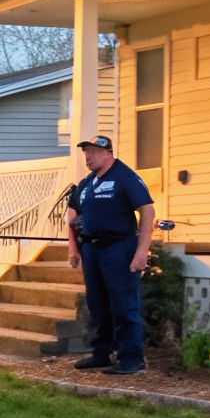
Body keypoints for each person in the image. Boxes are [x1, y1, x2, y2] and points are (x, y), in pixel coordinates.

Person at [65, 134, 155, 375]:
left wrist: (142, 250)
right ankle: (102, 353)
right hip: (91, 249)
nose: (88, 157)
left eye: (92, 152)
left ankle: (132, 358)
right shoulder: (87, 184)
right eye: (85, 153)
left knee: (124, 305)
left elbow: (147, 211)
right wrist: (74, 248)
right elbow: (72, 216)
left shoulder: (125, 177)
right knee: (97, 305)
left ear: (107, 153)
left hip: (119, 248)